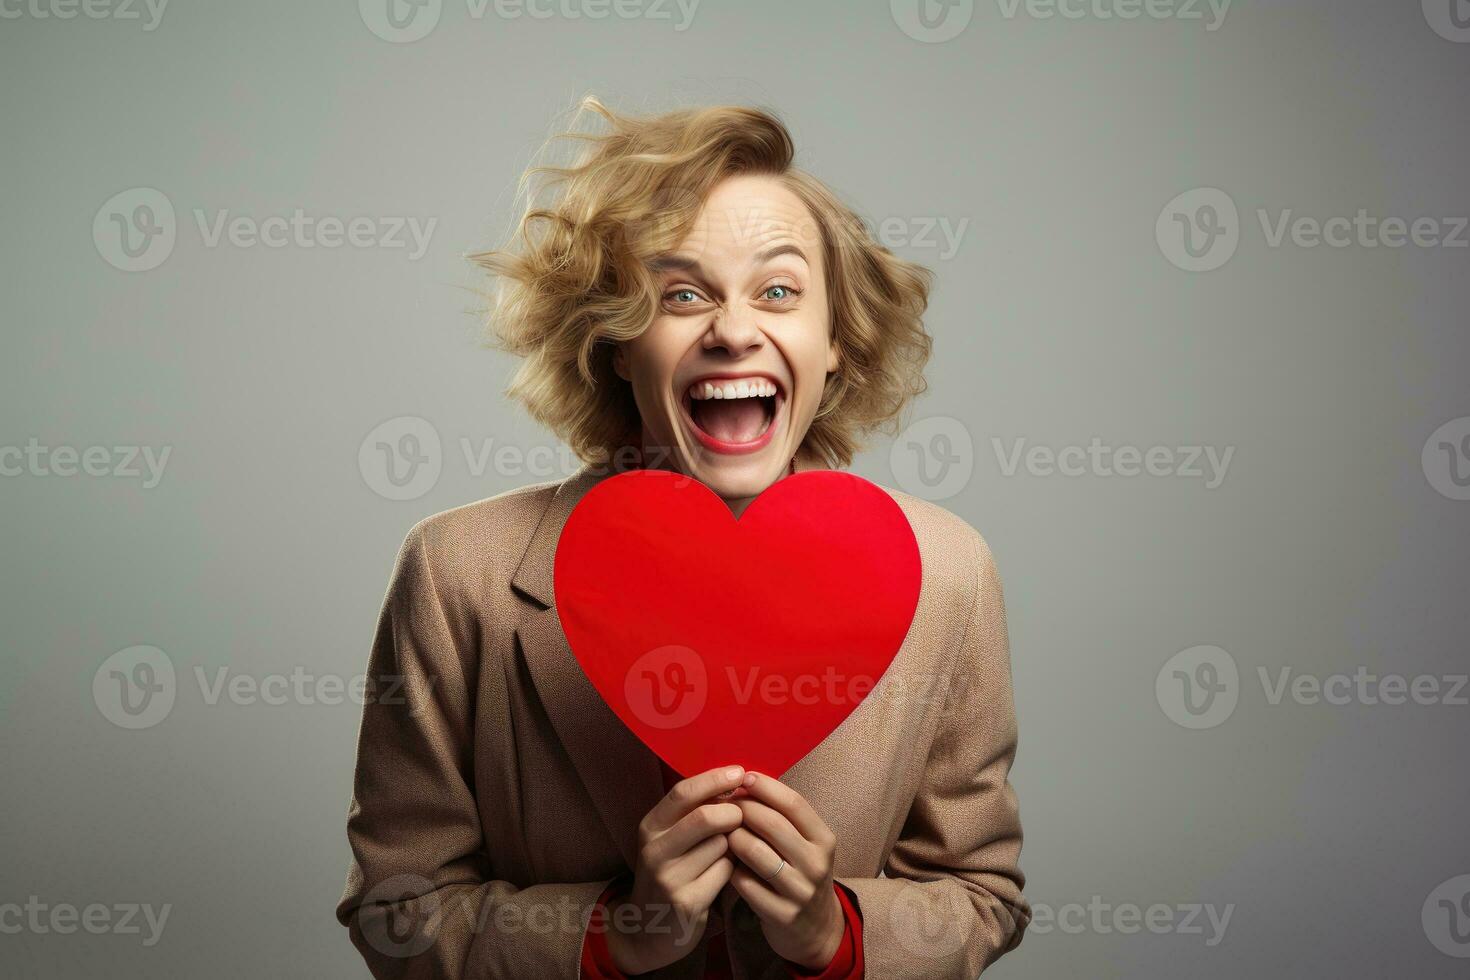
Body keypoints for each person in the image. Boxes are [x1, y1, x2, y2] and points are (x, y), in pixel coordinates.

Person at [335, 96, 1030, 979]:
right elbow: (398, 908)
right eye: (683, 294)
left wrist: (834, 934)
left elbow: (982, 894)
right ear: (619, 345)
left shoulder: (948, 574)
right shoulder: (456, 573)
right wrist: (612, 935)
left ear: (835, 345)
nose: (734, 331)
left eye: (779, 291)